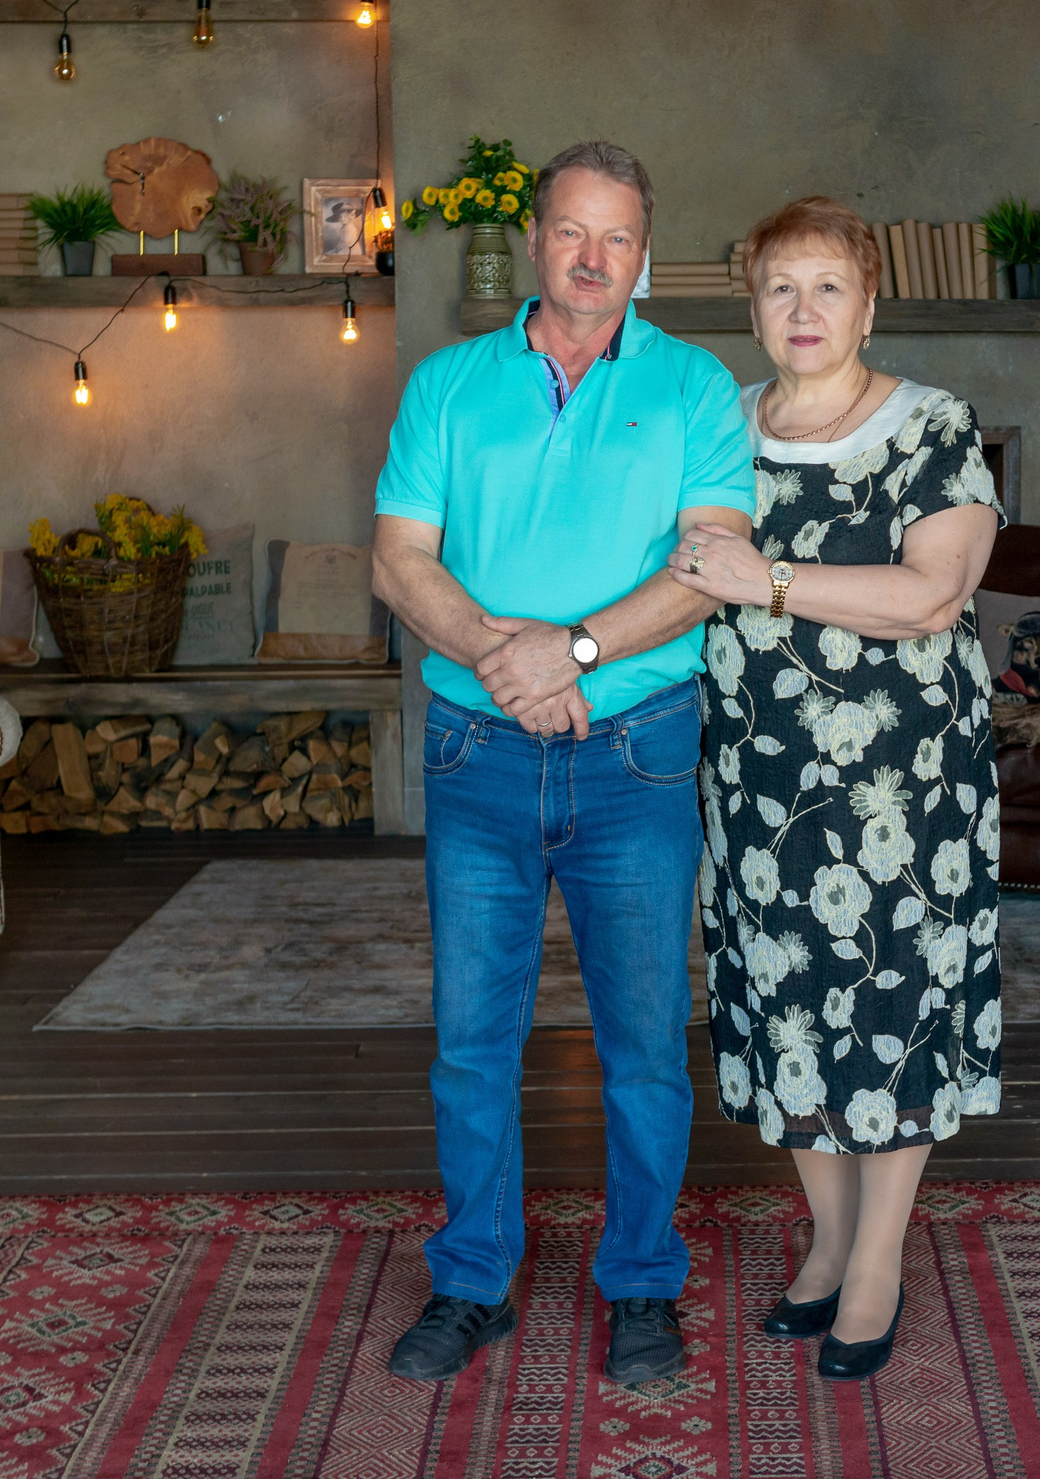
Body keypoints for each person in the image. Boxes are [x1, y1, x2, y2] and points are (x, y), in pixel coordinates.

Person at [371, 141, 756, 1386]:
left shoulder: (696, 387)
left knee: (643, 1044)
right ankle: (471, 1279)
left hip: (636, 755)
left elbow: (709, 565)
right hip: (476, 747)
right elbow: (399, 559)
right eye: (573, 233)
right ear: (535, 240)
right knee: (470, 1040)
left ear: (645, 257)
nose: (594, 260)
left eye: (618, 239)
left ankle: (641, 1282)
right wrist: (508, 661)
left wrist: (573, 651)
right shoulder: (447, 384)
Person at [668, 195, 1004, 1381]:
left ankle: (877, 1261)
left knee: (893, 997)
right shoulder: (717, 428)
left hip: (903, 783)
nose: (802, 310)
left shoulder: (930, 426)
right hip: (758, 776)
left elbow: (930, 595)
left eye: (827, 288)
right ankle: (825, 1236)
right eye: (779, 288)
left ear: (868, 306)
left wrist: (764, 579)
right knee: (788, 1000)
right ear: (752, 307)